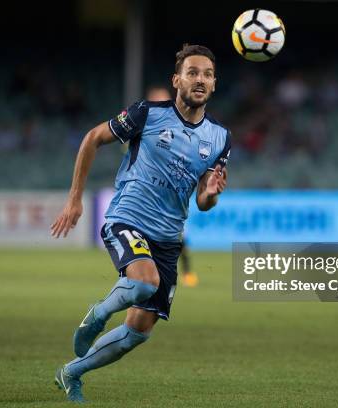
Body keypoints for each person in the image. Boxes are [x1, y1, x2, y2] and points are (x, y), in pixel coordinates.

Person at [50, 44, 230, 402]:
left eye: (207, 74)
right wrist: (74, 199)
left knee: (138, 331)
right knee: (145, 282)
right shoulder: (146, 114)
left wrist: (211, 192)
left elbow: (203, 203)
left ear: (214, 84)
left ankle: (71, 373)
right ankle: (98, 313)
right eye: (192, 72)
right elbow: (92, 139)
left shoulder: (220, 138)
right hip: (127, 218)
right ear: (176, 80)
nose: (200, 79)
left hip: (167, 238)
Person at [145, 85, 199, 287]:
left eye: (164, 99)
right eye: (158, 100)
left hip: (171, 197)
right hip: (147, 195)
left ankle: (187, 272)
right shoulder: (143, 126)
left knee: (178, 238)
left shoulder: (181, 127)